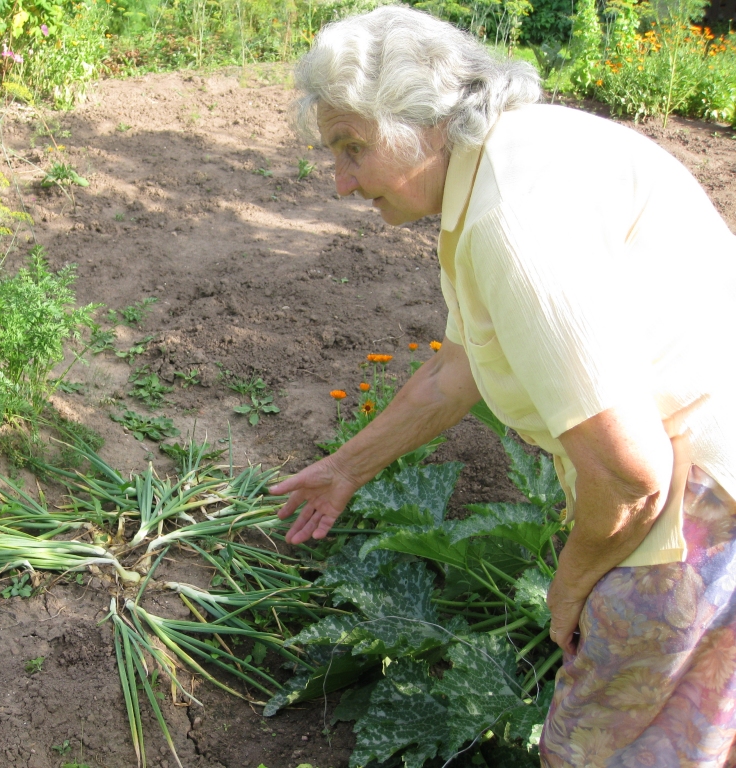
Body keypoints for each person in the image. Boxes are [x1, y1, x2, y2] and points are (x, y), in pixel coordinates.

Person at [268, 5, 736, 766]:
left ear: (425, 123)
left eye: (353, 148)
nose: (342, 183)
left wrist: (571, 583)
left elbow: (630, 473)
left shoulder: (510, 218)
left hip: (702, 509)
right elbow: (455, 370)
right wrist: (345, 469)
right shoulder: (506, 163)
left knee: (604, 750)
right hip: (706, 480)